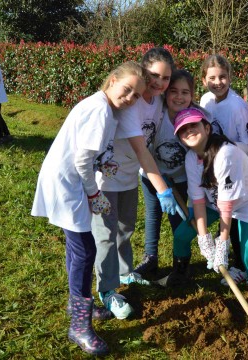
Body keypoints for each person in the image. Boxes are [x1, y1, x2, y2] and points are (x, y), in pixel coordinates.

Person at [31, 61, 148, 356]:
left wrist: (102, 164)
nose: (130, 98)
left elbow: (89, 154)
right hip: (68, 183)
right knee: (85, 250)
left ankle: (77, 305)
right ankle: (79, 325)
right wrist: (95, 194)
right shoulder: (99, 110)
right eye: (127, 89)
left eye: (136, 95)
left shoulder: (105, 108)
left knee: (78, 247)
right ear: (111, 81)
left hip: (71, 182)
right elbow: (82, 161)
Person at [172, 107, 248, 338]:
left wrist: (222, 242)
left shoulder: (226, 153)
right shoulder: (192, 158)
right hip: (214, 201)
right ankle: (180, 276)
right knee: (182, 234)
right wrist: (203, 238)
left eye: (194, 126)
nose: (189, 131)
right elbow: (198, 200)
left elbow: (227, 206)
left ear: (207, 127)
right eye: (183, 130)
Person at [92, 47, 182, 319]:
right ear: (144, 71)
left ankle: (123, 272)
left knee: (125, 229)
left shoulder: (158, 101)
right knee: (105, 236)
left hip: (129, 177)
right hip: (104, 179)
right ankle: (107, 291)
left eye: (166, 78)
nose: (159, 82)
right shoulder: (133, 103)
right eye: (154, 75)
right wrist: (163, 189)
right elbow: (142, 150)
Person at [199, 54, 248, 286]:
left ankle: (243, 266)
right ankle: (235, 262)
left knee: (238, 218)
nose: (218, 82)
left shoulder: (237, 106)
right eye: (212, 77)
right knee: (227, 215)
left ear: (230, 77)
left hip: (242, 169)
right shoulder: (205, 101)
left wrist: (225, 149)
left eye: (222, 77)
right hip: (218, 170)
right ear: (204, 80)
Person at [133, 69, 196, 279]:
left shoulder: (194, 119)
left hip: (180, 180)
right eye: (174, 91)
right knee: (152, 217)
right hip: (152, 175)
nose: (179, 97)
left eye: (185, 93)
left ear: (192, 96)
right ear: (166, 94)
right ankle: (150, 258)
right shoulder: (157, 113)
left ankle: (181, 263)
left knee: (178, 221)